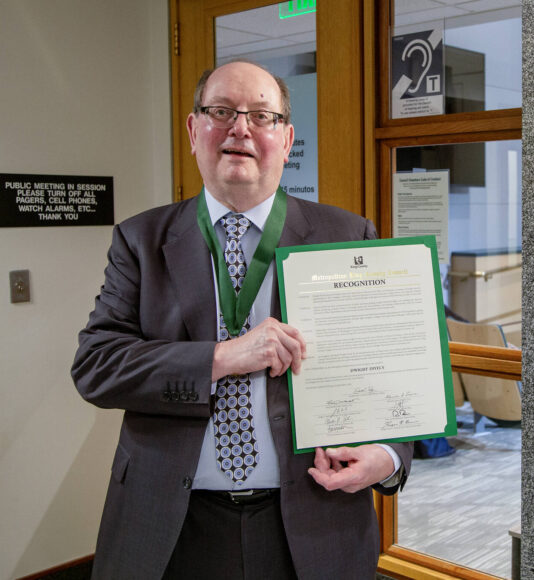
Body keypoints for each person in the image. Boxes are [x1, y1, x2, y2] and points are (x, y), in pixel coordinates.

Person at [71, 60, 412, 580]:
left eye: (261, 115)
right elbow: (96, 366)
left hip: (312, 518)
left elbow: (390, 370)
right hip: (170, 522)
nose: (240, 128)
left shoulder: (347, 235)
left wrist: (387, 456)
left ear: (286, 136)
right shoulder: (140, 241)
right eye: (221, 111)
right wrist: (222, 357)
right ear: (193, 130)